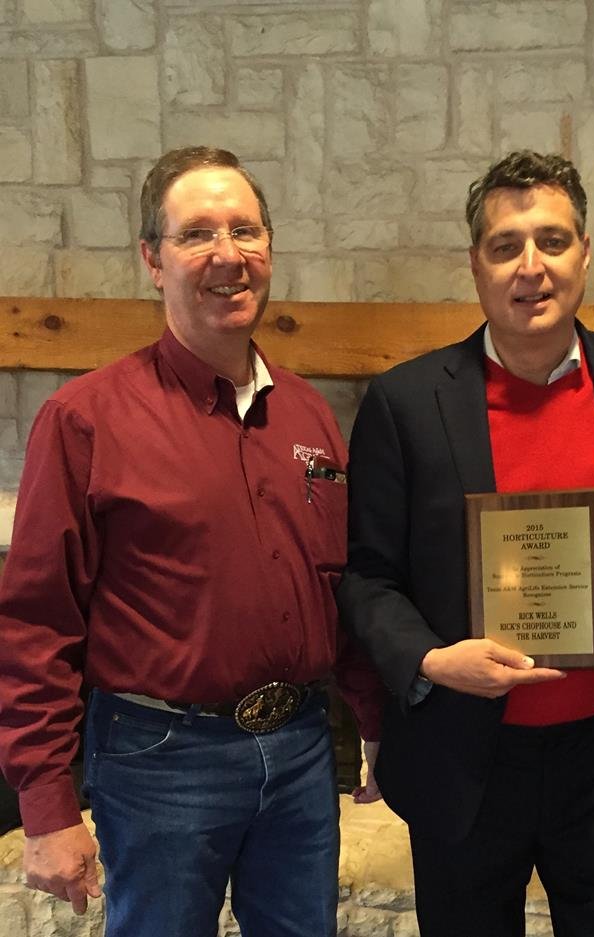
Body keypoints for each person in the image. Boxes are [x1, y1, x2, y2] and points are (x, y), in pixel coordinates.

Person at [0, 146, 383, 937]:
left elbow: (335, 585)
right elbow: (37, 620)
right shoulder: (84, 420)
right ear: (152, 259)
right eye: (197, 234)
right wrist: (45, 804)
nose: (227, 256)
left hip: (303, 749)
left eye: (245, 231)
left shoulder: (310, 416)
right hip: (159, 757)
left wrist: (374, 720)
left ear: (270, 249)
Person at [338, 150, 594, 937]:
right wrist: (430, 660)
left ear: (586, 252)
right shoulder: (405, 402)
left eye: (553, 241)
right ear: (476, 265)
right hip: (464, 759)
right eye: (506, 246)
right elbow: (366, 576)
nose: (531, 266)